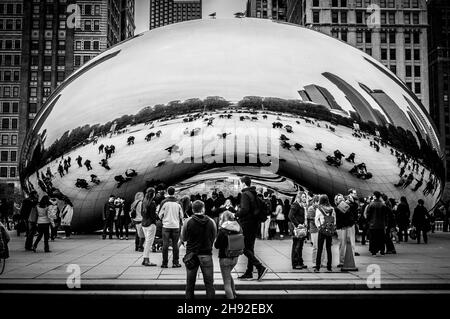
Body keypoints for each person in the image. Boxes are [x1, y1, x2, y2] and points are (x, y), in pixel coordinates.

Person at [181, 200, 217, 299]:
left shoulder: (187, 221)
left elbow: (183, 238)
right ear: (203, 209)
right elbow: (214, 237)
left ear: (192, 209)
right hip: (206, 254)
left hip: (191, 255)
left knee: (190, 284)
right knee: (209, 284)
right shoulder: (211, 221)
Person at [235, 176, 267, 281]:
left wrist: (236, 213)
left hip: (246, 224)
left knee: (243, 248)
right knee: (250, 248)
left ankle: (260, 267)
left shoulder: (245, 194)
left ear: (243, 183)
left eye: (240, 183)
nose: (240, 185)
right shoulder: (253, 193)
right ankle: (249, 272)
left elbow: (244, 210)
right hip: (254, 224)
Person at [214, 211, 241, 299]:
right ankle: (234, 293)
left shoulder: (223, 230)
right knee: (228, 275)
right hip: (235, 256)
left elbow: (217, 245)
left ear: (224, 218)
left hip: (225, 257)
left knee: (226, 282)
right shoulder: (238, 227)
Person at [158, 186, 183, 268]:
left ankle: (164, 263)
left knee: (165, 244)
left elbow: (160, 215)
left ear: (167, 192)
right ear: (174, 192)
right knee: (175, 244)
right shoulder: (178, 202)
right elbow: (181, 215)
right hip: (175, 226)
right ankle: (175, 262)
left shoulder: (164, 202)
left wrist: (163, 219)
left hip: (166, 226)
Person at [314, 195, 336, 272]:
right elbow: (334, 220)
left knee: (319, 249)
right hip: (329, 230)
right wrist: (332, 228)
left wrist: (319, 227)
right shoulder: (332, 209)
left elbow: (316, 220)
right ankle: (329, 267)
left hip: (322, 230)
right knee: (329, 248)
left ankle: (317, 267)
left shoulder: (319, 209)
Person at [289, 192, 308, 269]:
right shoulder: (295, 205)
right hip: (297, 229)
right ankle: (295, 263)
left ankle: (300, 262)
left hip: (302, 228)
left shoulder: (301, 205)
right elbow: (290, 215)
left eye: (305, 197)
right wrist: (297, 224)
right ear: (299, 197)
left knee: (300, 246)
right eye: (303, 197)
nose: (304, 198)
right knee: (296, 246)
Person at [141, 188, 159, 266]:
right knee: (149, 243)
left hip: (144, 224)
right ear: (153, 194)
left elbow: (142, 213)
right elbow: (153, 216)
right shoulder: (152, 203)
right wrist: (157, 217)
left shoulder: (143, 202)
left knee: (147, 242)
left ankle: (145, 259)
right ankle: (146, 260)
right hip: (151, 224)